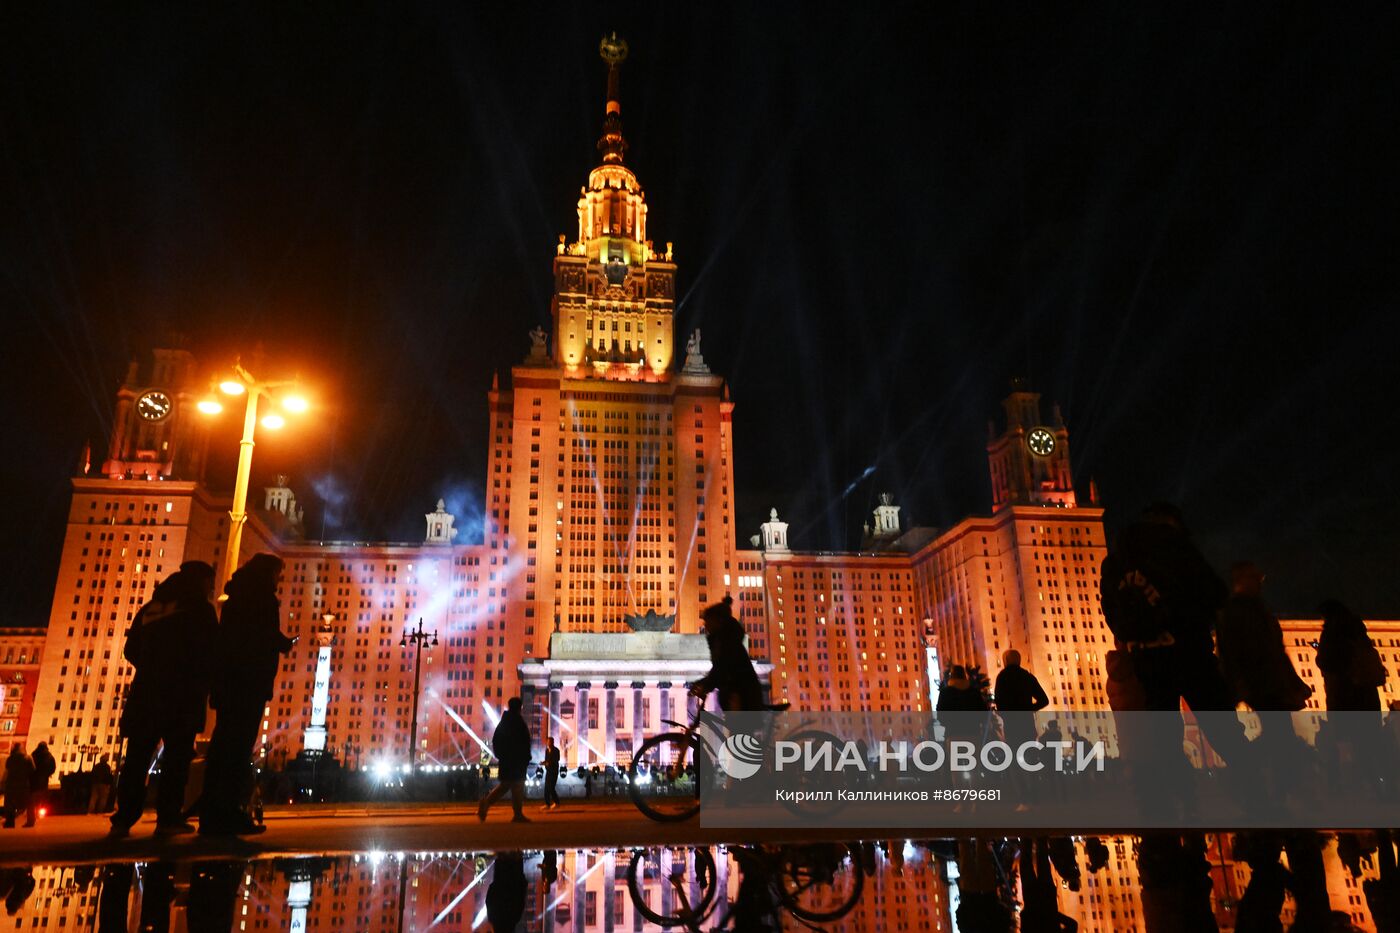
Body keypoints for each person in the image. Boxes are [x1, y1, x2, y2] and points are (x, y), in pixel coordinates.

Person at [1099, 503, 1250, 769]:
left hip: (1146, 661)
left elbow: (1110, 611)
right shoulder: (1175, 547)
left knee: (1161, 742)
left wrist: (1136, 637)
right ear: (1169, 522)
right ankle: (1260, 801)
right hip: (1189, 653)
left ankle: (1169, 808)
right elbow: (1214, 593)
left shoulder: (1115, 561)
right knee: (1224, 731)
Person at [109, 561, 219, 838]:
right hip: (180, 697)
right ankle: (168, 818)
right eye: (209, 581)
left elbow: (131, 648)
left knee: (137, 758)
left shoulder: (150, 609)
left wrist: (151, 668)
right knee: (176, 758)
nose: (211, 588)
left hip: (146, 694)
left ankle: (124, 818)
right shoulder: (199, 610)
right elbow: (209, 651)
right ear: (200, 581)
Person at [201, 553, 294, 835]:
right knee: (236, 749)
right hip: (246, 683)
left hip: (232, 683)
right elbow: (258, 636)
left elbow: (244, 634)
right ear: (267, 573)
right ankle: (228, 813)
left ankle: (214, 814)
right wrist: (280, 643)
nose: (280, 579)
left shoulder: (239, 597)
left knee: (225, 747)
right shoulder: (260, 598)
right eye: (278, 573)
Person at [1316, 599, 1386, 788]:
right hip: (1367, 694)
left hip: (1345, 695)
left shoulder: (1332, 632)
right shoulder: (1358, 630)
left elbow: (1325, 661)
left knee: (1349, 741)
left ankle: (1356, 781)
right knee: (1370, 740)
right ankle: (1379, 782)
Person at [690, 596, 765, 712]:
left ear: (718, 621)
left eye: (708, 620)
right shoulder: (723, 639)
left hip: (741, 694)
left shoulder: (726, 641)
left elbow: (722, 667)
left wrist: (705, 685)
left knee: (739, 728)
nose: (705, 625)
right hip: (735, 693)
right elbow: (719, 669)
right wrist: (703, 683)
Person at [478, 697, 531, 823]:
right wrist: (526, 757)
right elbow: (524, 742)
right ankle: (517, 814)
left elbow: (496, 740)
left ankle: (486, 804)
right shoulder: (518, 722)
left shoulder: (504, 722)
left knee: (506, 785)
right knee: (516, 786)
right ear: (520, 707)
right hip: (517, 761)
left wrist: (500, 755)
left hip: (507, 760)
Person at [994, 650, 1049, 748]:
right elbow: (1044, 700)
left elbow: (999, 701)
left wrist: (1003, 713)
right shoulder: (1027, 676)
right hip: (1027, 725)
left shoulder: (1002, 677)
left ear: (1005, 660)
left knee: (1014, 754)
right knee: (1029, 756)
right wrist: (1029, 709)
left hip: (1012, 726)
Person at [2, 745, 34, 828]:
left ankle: (10, 822)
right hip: (24, 784)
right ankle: (30, 820)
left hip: (11, 783)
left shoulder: (10, 759)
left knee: (10, 804)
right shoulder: (28, 758)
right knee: (29, 803)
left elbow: (7, 768)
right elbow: (33, 769)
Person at [28, 743, 54, 819]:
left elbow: (30, 765)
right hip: (44, 779)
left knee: (33, 797)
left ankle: (34, 813)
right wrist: (48, 773)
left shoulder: (34, 755)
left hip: (34, 779)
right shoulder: (49, 756)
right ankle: (39, 812)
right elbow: (53, 767)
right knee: (41, 797)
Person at [542, 736, 561, 810]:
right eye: (548, 742)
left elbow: (556, 759)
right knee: (546, 788)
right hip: (548, 771)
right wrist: (544, 763)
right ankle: (547, 804)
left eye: (550, 742)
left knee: (551, 788)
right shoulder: (547, 750)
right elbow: (546, 760)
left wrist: (548, 763)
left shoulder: (556, 750)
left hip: (554, 771)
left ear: (553, 742)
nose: (548, 743)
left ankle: (557, 802)